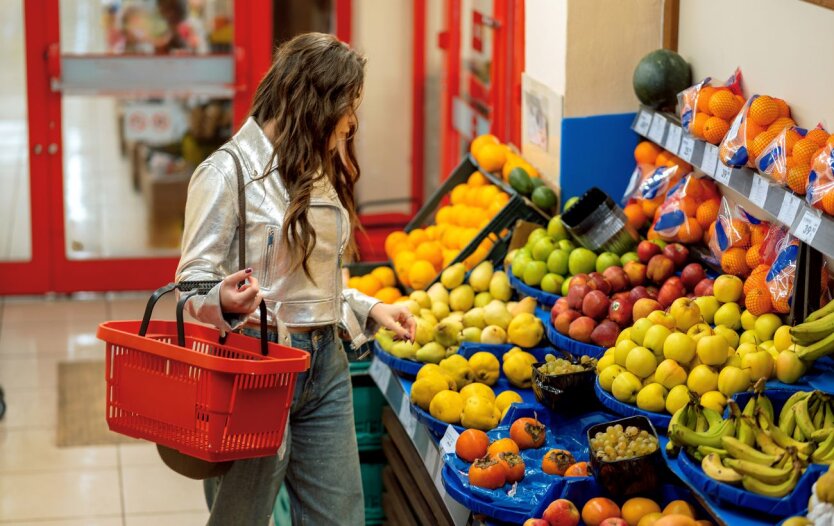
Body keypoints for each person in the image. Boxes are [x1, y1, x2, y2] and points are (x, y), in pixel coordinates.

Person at [175, 32, 415, 526]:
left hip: (325, 366)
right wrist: (224, 298)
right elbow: (191, 285)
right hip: (253, 372)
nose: (352, 121)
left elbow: (307, 283)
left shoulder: (312, 167)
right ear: (315, 103)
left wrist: (369, 308)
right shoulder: (226, 174)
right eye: (348, 106)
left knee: (340, 517)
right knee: (242, 518)